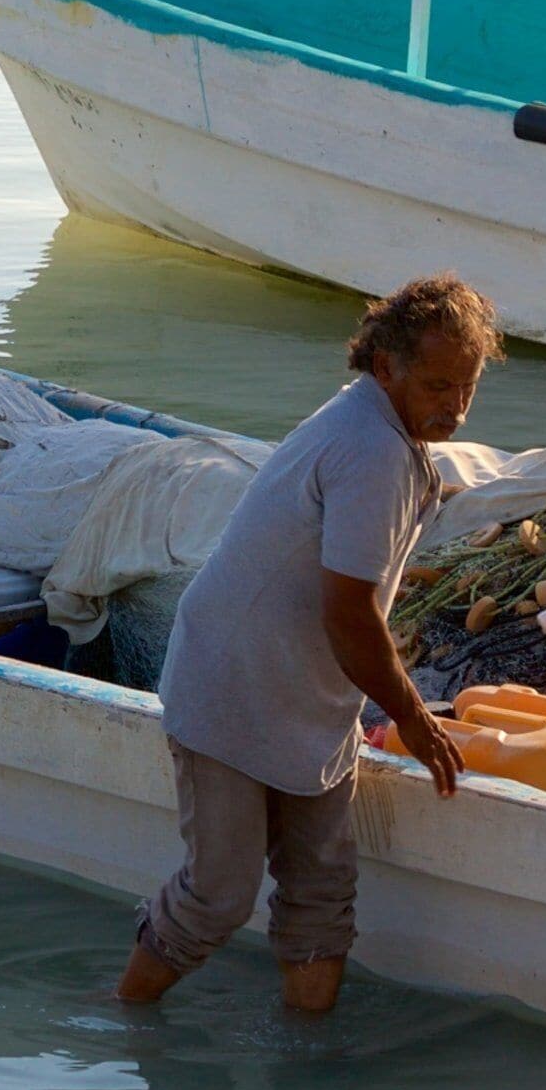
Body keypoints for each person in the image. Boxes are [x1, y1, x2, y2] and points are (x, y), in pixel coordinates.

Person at [117, 275, 497, 1015]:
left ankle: (306, 1049)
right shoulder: (373, 450)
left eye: (468, 388)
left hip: (309, 696)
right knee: (219, 896)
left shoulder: (383, 428)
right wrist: (413, 720)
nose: (453, 407)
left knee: (322, 895)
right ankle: (123, 1012)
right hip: (236, 685)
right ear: (385, 367)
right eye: (438, 385)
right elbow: (350, 616)